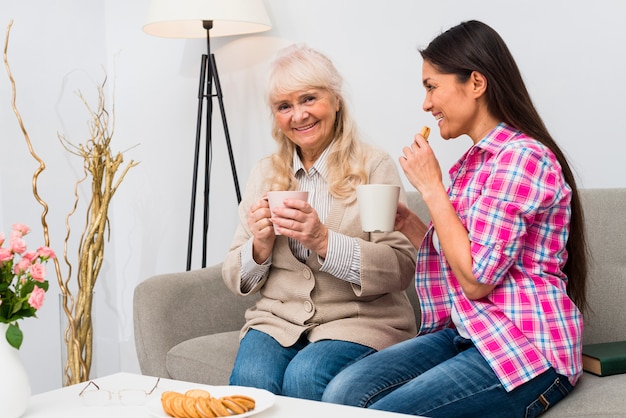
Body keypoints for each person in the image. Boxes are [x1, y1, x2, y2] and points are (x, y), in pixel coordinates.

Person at [322, 20, 588, 417]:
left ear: (476, 83)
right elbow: (467, 249)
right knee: (341, 394)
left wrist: (432, 188)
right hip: (470, 330)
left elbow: (477, 279)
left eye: (431, 86)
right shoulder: (474, 162)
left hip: (526, 346)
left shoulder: (523, 159)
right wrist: (411, 225)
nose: (426, 104)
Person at [221, 44, 418, 401]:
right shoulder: (265, 173)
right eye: (284, 106)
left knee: (306, 374)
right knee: (252, 381)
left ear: (336, 99)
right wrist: (260, 248)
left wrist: (324, 240)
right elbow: (234, 277)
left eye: (309, 99)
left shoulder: (374, 166)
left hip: (361, 322)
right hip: (276, 321)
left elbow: (401, 267)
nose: (298, 116)